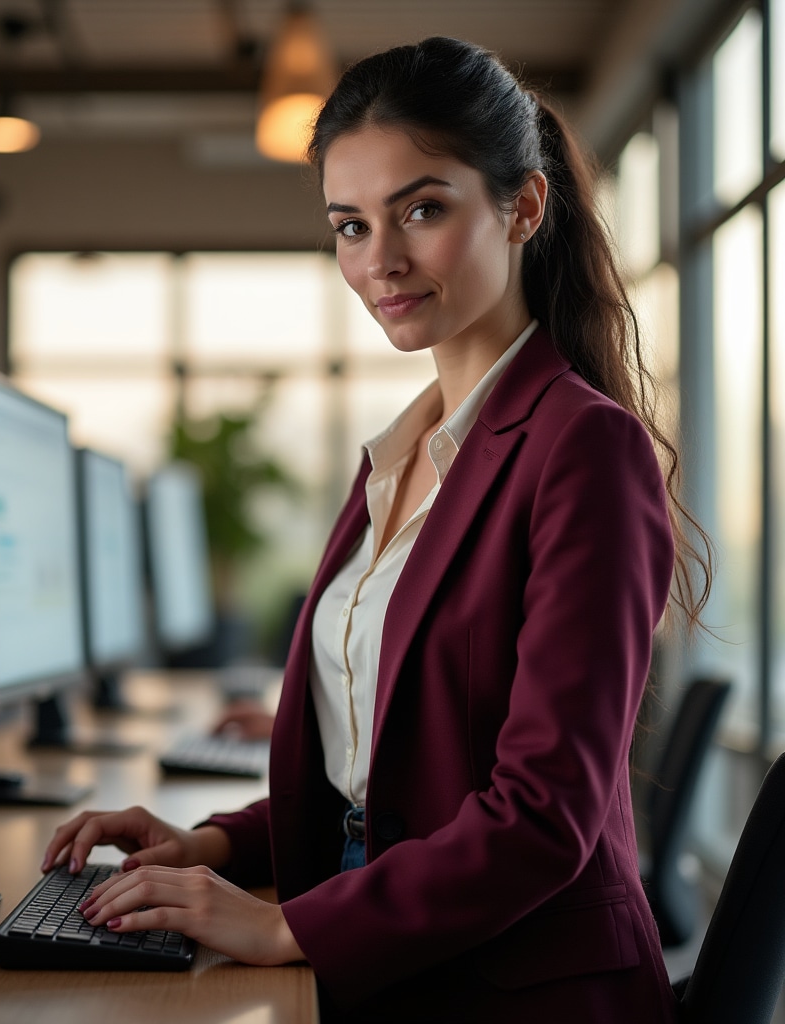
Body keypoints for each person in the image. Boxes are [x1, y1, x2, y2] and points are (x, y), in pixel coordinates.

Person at [41, 36, 712, 1022]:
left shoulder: (583, 447)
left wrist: (286, 927)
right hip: (398, 954)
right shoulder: (399, 458)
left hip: (518, 991)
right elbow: (385, 787)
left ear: (523, 207)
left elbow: (543, 817)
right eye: (350, 226)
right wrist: (212, 844)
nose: (379, 261)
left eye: (422, 210)